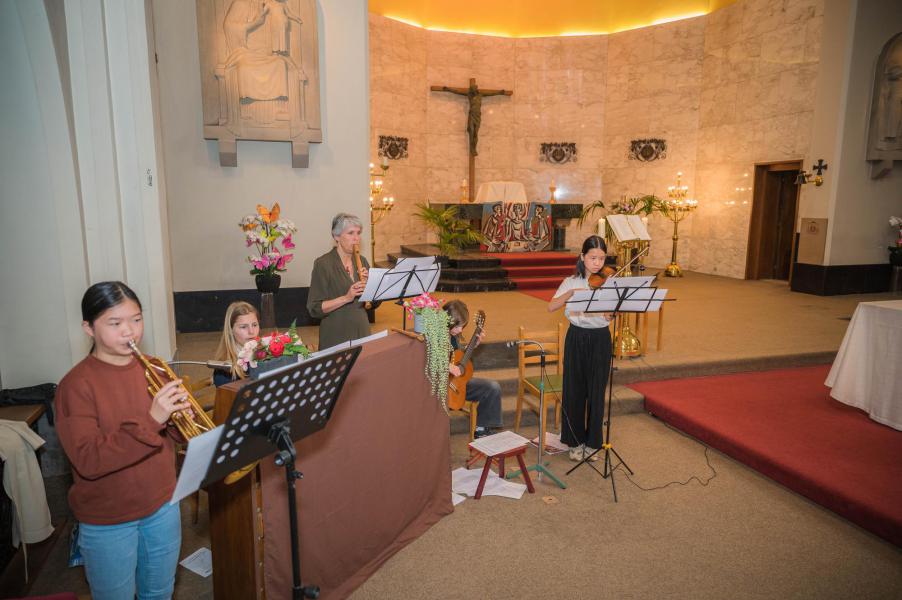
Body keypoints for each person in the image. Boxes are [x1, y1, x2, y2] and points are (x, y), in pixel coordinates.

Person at [54, 281, 190, 600]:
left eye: (137, 319)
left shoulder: (155, 367)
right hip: (108, 521)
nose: (129, 331)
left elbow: (175, 434)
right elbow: (88, 460)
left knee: (159, 592)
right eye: (115, 323)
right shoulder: (75, 385)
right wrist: (153, 419)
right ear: (88, 328)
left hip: (163, 506)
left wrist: (180, 418)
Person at [547, 236, 612, 462]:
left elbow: (609, 316)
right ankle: (574, 442)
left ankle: (593, 442)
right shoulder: (570, 281)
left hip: (600, 339)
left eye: (601, 258)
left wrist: (610, 311)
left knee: (596, 392)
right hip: (576, 337)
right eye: (593, 257)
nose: (597, 263)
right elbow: (551, 306)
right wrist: (571, 294)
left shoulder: (608, 282)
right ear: (582, 257)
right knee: (574, 391)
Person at [307, 213, 371, 349]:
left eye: (358, 233)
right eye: (350, 233)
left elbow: (371, 304)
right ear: (336, 236)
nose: (356, 238)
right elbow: (314, 308)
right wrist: (347, 298)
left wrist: (371, 286)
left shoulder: (362, 261)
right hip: (336, 332)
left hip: (362, 328)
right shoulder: (323, 264)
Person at [443, 300, 502, 438]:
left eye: (462, 326)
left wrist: (472, 346)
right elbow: (424, 356)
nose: (460, 330)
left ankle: (481, 429)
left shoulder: (454, 335)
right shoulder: (435, 333)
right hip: (439, 388)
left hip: (456, 385)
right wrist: (446, 365)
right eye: (457, 327)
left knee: (492, 388)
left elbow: (456, 355)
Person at [213, 301, 261, 387]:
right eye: (243, 327)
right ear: (231, 330)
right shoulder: (224, 369)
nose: (251, 332)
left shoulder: (265, 352)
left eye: (254, 325)